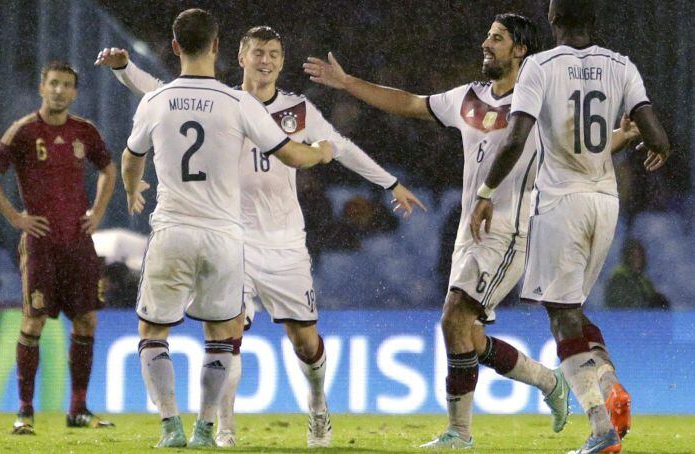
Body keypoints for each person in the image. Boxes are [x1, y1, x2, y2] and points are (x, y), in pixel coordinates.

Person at [305, 12, 639, 449]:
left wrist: (621, 136)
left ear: (520, 50)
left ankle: (459, 434)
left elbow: (582, 148)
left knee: (453, 319)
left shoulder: (539, 101)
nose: (486, 43)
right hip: (470, 233)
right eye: (487, 36)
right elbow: (410, 102)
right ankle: (547, 382)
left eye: (496, 38)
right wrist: (351, 84)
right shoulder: (469, 98)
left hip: (509, 234)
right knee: (466, 334)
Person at [97, 25, 425, 448]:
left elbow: (339, 145)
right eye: (258, 52)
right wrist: (126, 70)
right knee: (227, 334)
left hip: (285, 243)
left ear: (282, 61)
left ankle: (319, 407)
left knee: (305, 342)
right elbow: (163, 91)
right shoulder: (227, 102)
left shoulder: (299, 110)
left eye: (273, 53)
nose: (265, 60)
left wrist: (390, 183)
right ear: (239, 57)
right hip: (232, 239)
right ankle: (222, 427)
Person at [119, 9, 335, 448]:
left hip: (173, 230)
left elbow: (130, 156)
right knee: (223, 338)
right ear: (219, 48)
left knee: (153, 332)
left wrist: (131, 187)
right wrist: (323, 153)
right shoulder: (238, 103)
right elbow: (292, 155)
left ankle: (170, 427)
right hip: (224, 237)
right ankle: (206, 430)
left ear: (175, 47)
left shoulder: (156, 101)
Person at [469, 1, 670, 452]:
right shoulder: (622, 65)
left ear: (554, 20)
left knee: (561, 318)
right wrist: (656, 149)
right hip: (605, 202)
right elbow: (657, 137)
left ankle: (601, 428)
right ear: (593, 20)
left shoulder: (539, 66)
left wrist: (485, 194)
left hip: (560, 202)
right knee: (572, 309)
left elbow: (516, 139)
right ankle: (610, 383)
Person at [0, 61, 117, 434]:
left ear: (74, 92)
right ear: (42, 87)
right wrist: (15, 218)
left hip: (79, 242)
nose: (59, 91)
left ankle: (79, 409)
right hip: (40, 244)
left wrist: (98, 211)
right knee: (33, 321)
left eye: (67, 85)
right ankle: (24, 411)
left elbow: (109, 168)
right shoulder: (23, 131)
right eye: (53, 83)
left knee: (87, 320)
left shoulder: (84, 131)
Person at [605, 238, 669, 309]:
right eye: (633, 255)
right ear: (626, 257)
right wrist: (647, 304)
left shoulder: (644, 281)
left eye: (640, 256)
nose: (637, 259)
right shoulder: (618, 277)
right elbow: (620, 303)